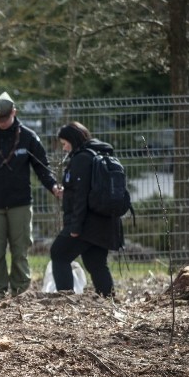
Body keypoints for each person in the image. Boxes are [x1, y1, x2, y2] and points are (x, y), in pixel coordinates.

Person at [0, 92, 61, 299]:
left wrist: (53, 186)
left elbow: (41, 167)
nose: (1, 123)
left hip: (20, 204)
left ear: (14, 112)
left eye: (5, 118)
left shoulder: (28, 137)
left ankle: (20, 292)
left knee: (20, 251)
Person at [50, 122, 123, 297]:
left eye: (65, 143)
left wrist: (75, 228)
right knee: (95, 263)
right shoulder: (96, 154)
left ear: (73, 140)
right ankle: (108, 299)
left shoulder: (82, 159)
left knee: (59, 253)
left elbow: (81, 196)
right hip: (103, 221)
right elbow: (83, 189)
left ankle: (66, 298)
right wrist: (67, 192)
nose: (64, 147)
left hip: (86, 223)